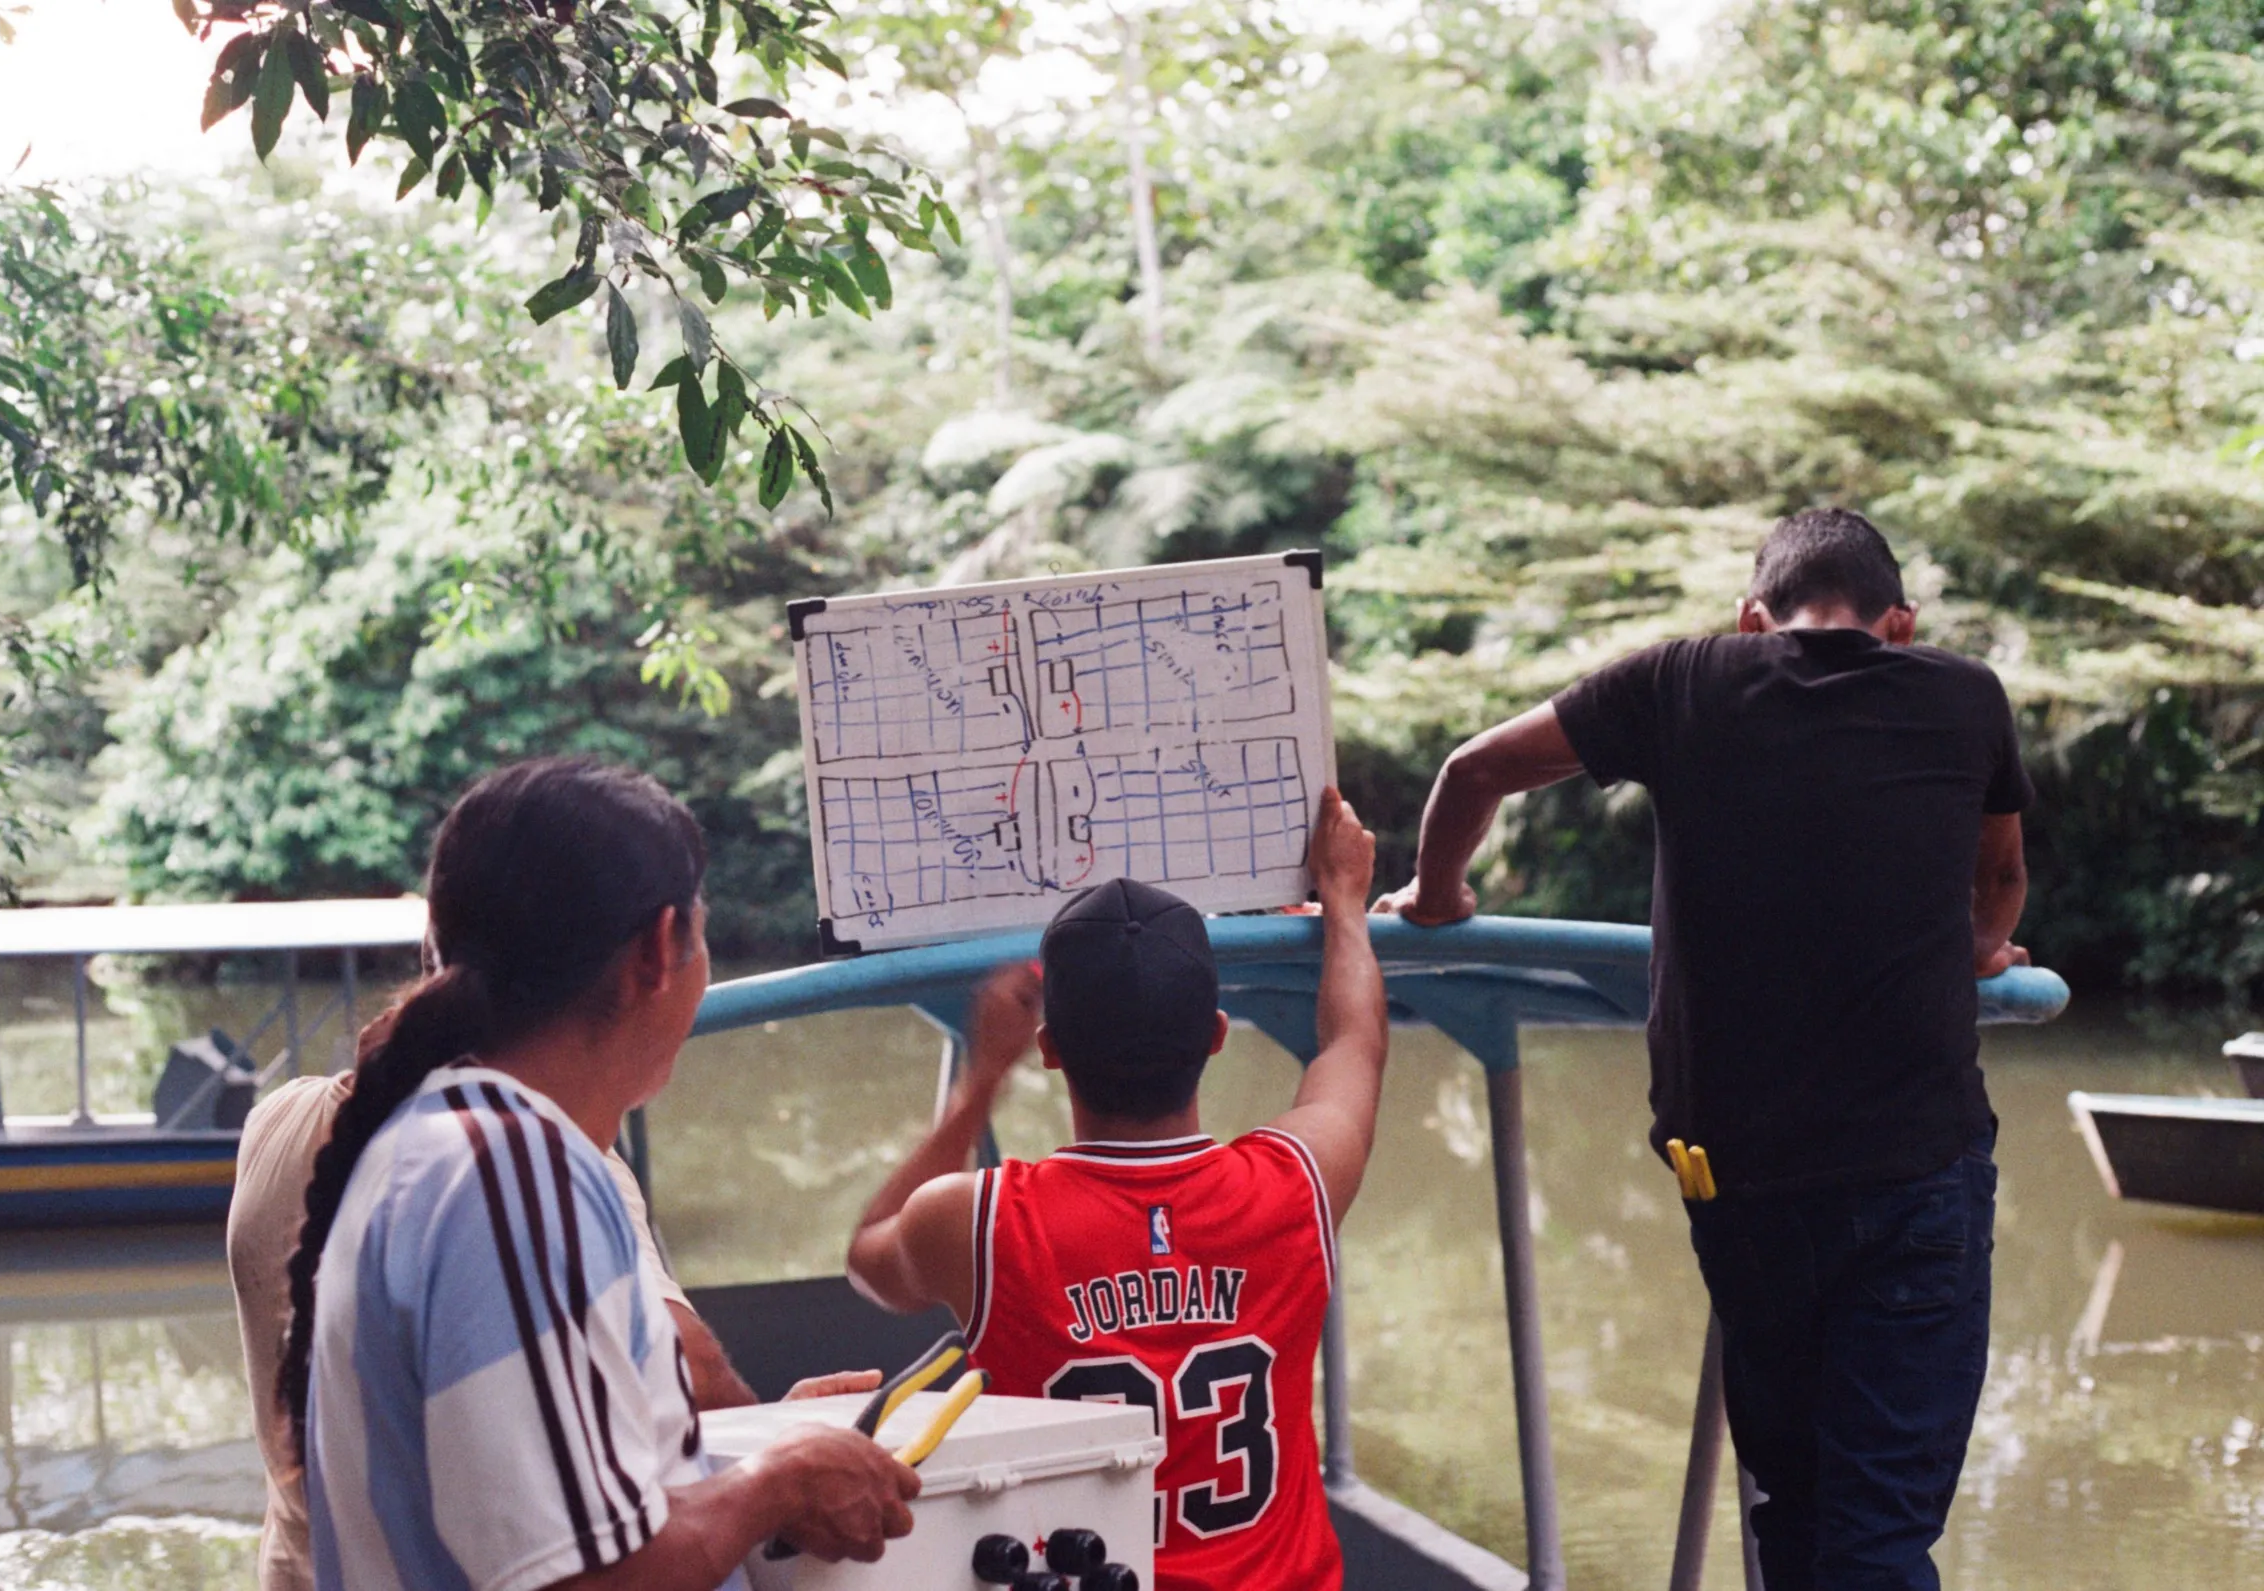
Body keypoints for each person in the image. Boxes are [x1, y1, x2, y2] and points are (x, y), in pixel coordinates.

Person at [1375, 508, 2032, 1591]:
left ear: (1752, 617)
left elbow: (1475, 768)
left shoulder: (1684, 680)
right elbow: (1998, 876)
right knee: (1875, 1536)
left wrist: (1435, 896)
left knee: (1794, 1509)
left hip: (1740, 1183)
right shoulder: (1964, 697)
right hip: (1916, 1173)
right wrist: (1976, 950)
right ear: (1900, 623)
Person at [279, 758, 920, 1591]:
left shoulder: (458, 1149)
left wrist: (765, 1447)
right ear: (659, 949)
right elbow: (587, 1578)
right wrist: (780, 1480)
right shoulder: (505, 1174)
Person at [846, 788, 1386, 1591]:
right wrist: (1344, 899)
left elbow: (868, 1256)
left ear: (1051, 1050)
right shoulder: (1296, 1184)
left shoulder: (982, 1221)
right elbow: (1356, 1040)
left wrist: (980, 1077)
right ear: (1214, 1036)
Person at [230, 1064, 874, 1591]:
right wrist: (774, 1467)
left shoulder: (284, 1120)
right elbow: (690, 1369)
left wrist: (756, 1443)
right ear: (652, 960)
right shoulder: (546, 1163)